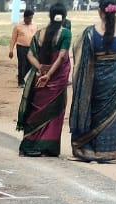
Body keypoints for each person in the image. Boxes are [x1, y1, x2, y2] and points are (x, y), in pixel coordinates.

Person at [69, 0, 116, 162]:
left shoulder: (91, 32)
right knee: (112, 111)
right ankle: (107, 150)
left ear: (100, 11)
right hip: (115, 78)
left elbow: (79, 52)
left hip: (95, 78)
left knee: (93, 109)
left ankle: (88, 147)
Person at [16, 3, 72, 156]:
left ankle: (29, 145)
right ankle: (48, 148)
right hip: (56, 78)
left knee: (36, 110)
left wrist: (41, 69)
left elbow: (30, 55)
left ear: (50, 16)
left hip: (40, 77)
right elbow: (61, 57)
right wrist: (49, 75)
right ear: (64, 17)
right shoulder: (65, 33)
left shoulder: (39, 33)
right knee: (55, 111)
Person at [10, 10, 38, 88]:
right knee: (22, 64)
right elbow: (13, 39)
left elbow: (36, 38)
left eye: (31, 18)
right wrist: (11, 50)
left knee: (30, 64)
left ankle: (21, 76)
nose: (30, 20)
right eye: (29, 18)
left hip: (31, 48)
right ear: (24, 17)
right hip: (21, 47)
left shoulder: (35, 25)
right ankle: (21, 82)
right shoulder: (18, 26)